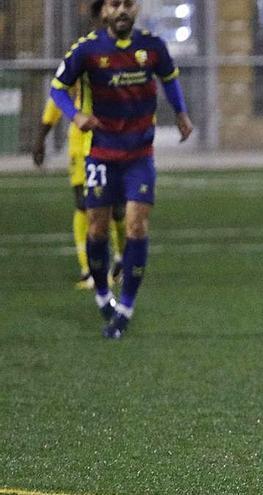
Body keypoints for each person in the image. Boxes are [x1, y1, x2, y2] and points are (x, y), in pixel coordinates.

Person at [49, 0, 193, 339]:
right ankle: (102, 293)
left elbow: (170, 80)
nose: (123, 10)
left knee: (136, 225)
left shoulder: (152, 46)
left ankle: (125, 307)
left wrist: (182, 113)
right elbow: (57, 90)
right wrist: (76, 115)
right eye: (116, 4)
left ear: (137, 8)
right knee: (97, 228)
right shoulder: (87, 50)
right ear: (104, 12)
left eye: (129, 3)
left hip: (139, 155)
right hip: (100, 153)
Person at [33, 0, 126, 289]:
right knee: (84, 206)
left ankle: (121, 257)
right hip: (81, 145)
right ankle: (89, 270)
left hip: (114, 141)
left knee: (117, 209)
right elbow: (58, 94)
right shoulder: (81, 54)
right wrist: (41, 137)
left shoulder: (128, 54)